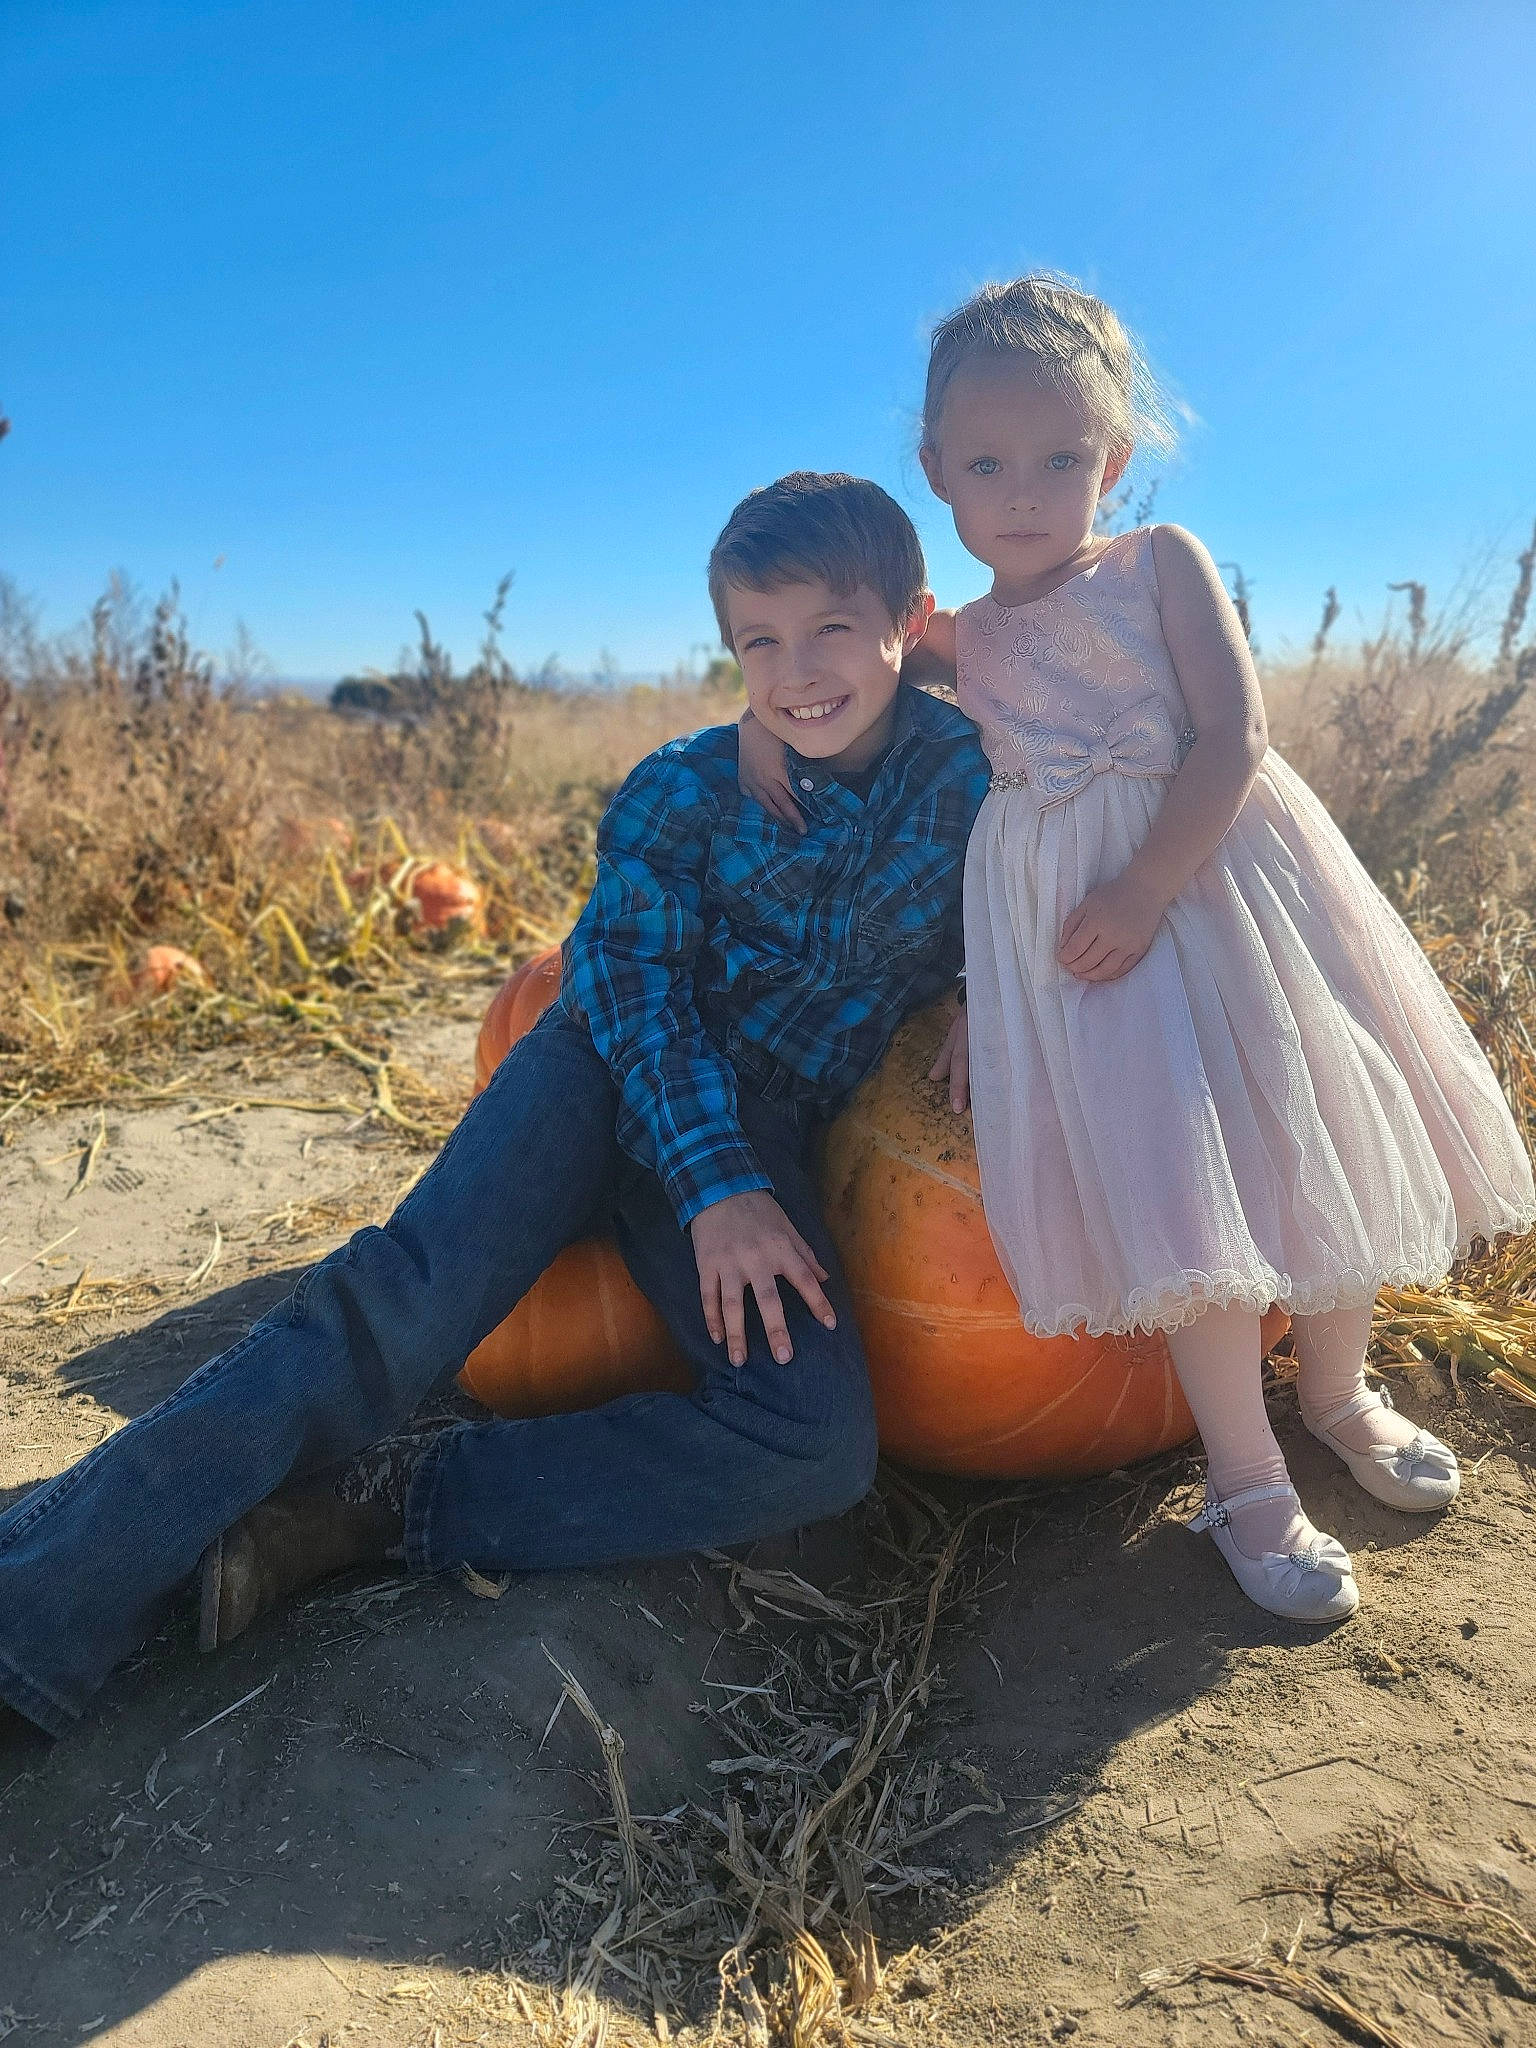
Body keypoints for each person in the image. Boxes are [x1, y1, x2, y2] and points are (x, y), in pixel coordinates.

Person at [0, 473, 991, 1740]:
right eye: (760, 642)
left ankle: (387, 1500)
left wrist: (982, 982)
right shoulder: (680, 789)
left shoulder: (967, 776)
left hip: (773, 1121)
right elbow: (629, 991)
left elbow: (1096, 730)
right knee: (396, 1305)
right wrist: (720, 1190)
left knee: (816, 1446)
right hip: (604, 1076)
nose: (795, 673)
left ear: (908, 618)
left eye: (831, 630)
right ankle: (31, 1611)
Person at [741, 277, 1535, 1624]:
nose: (1025, 489)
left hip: (1214, 887)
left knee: (1311, 1138)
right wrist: (764, 726)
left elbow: (1235, 736)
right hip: (1083, 951)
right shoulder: (962, 638)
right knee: (1186, 1196)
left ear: (1113, 457)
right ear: (935, 473)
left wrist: (1149, 882)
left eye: (1062, 457)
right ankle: (1242, 1475)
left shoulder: (1159, 561)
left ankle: (1338, 1395)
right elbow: (840, 658)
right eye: (986, 462)